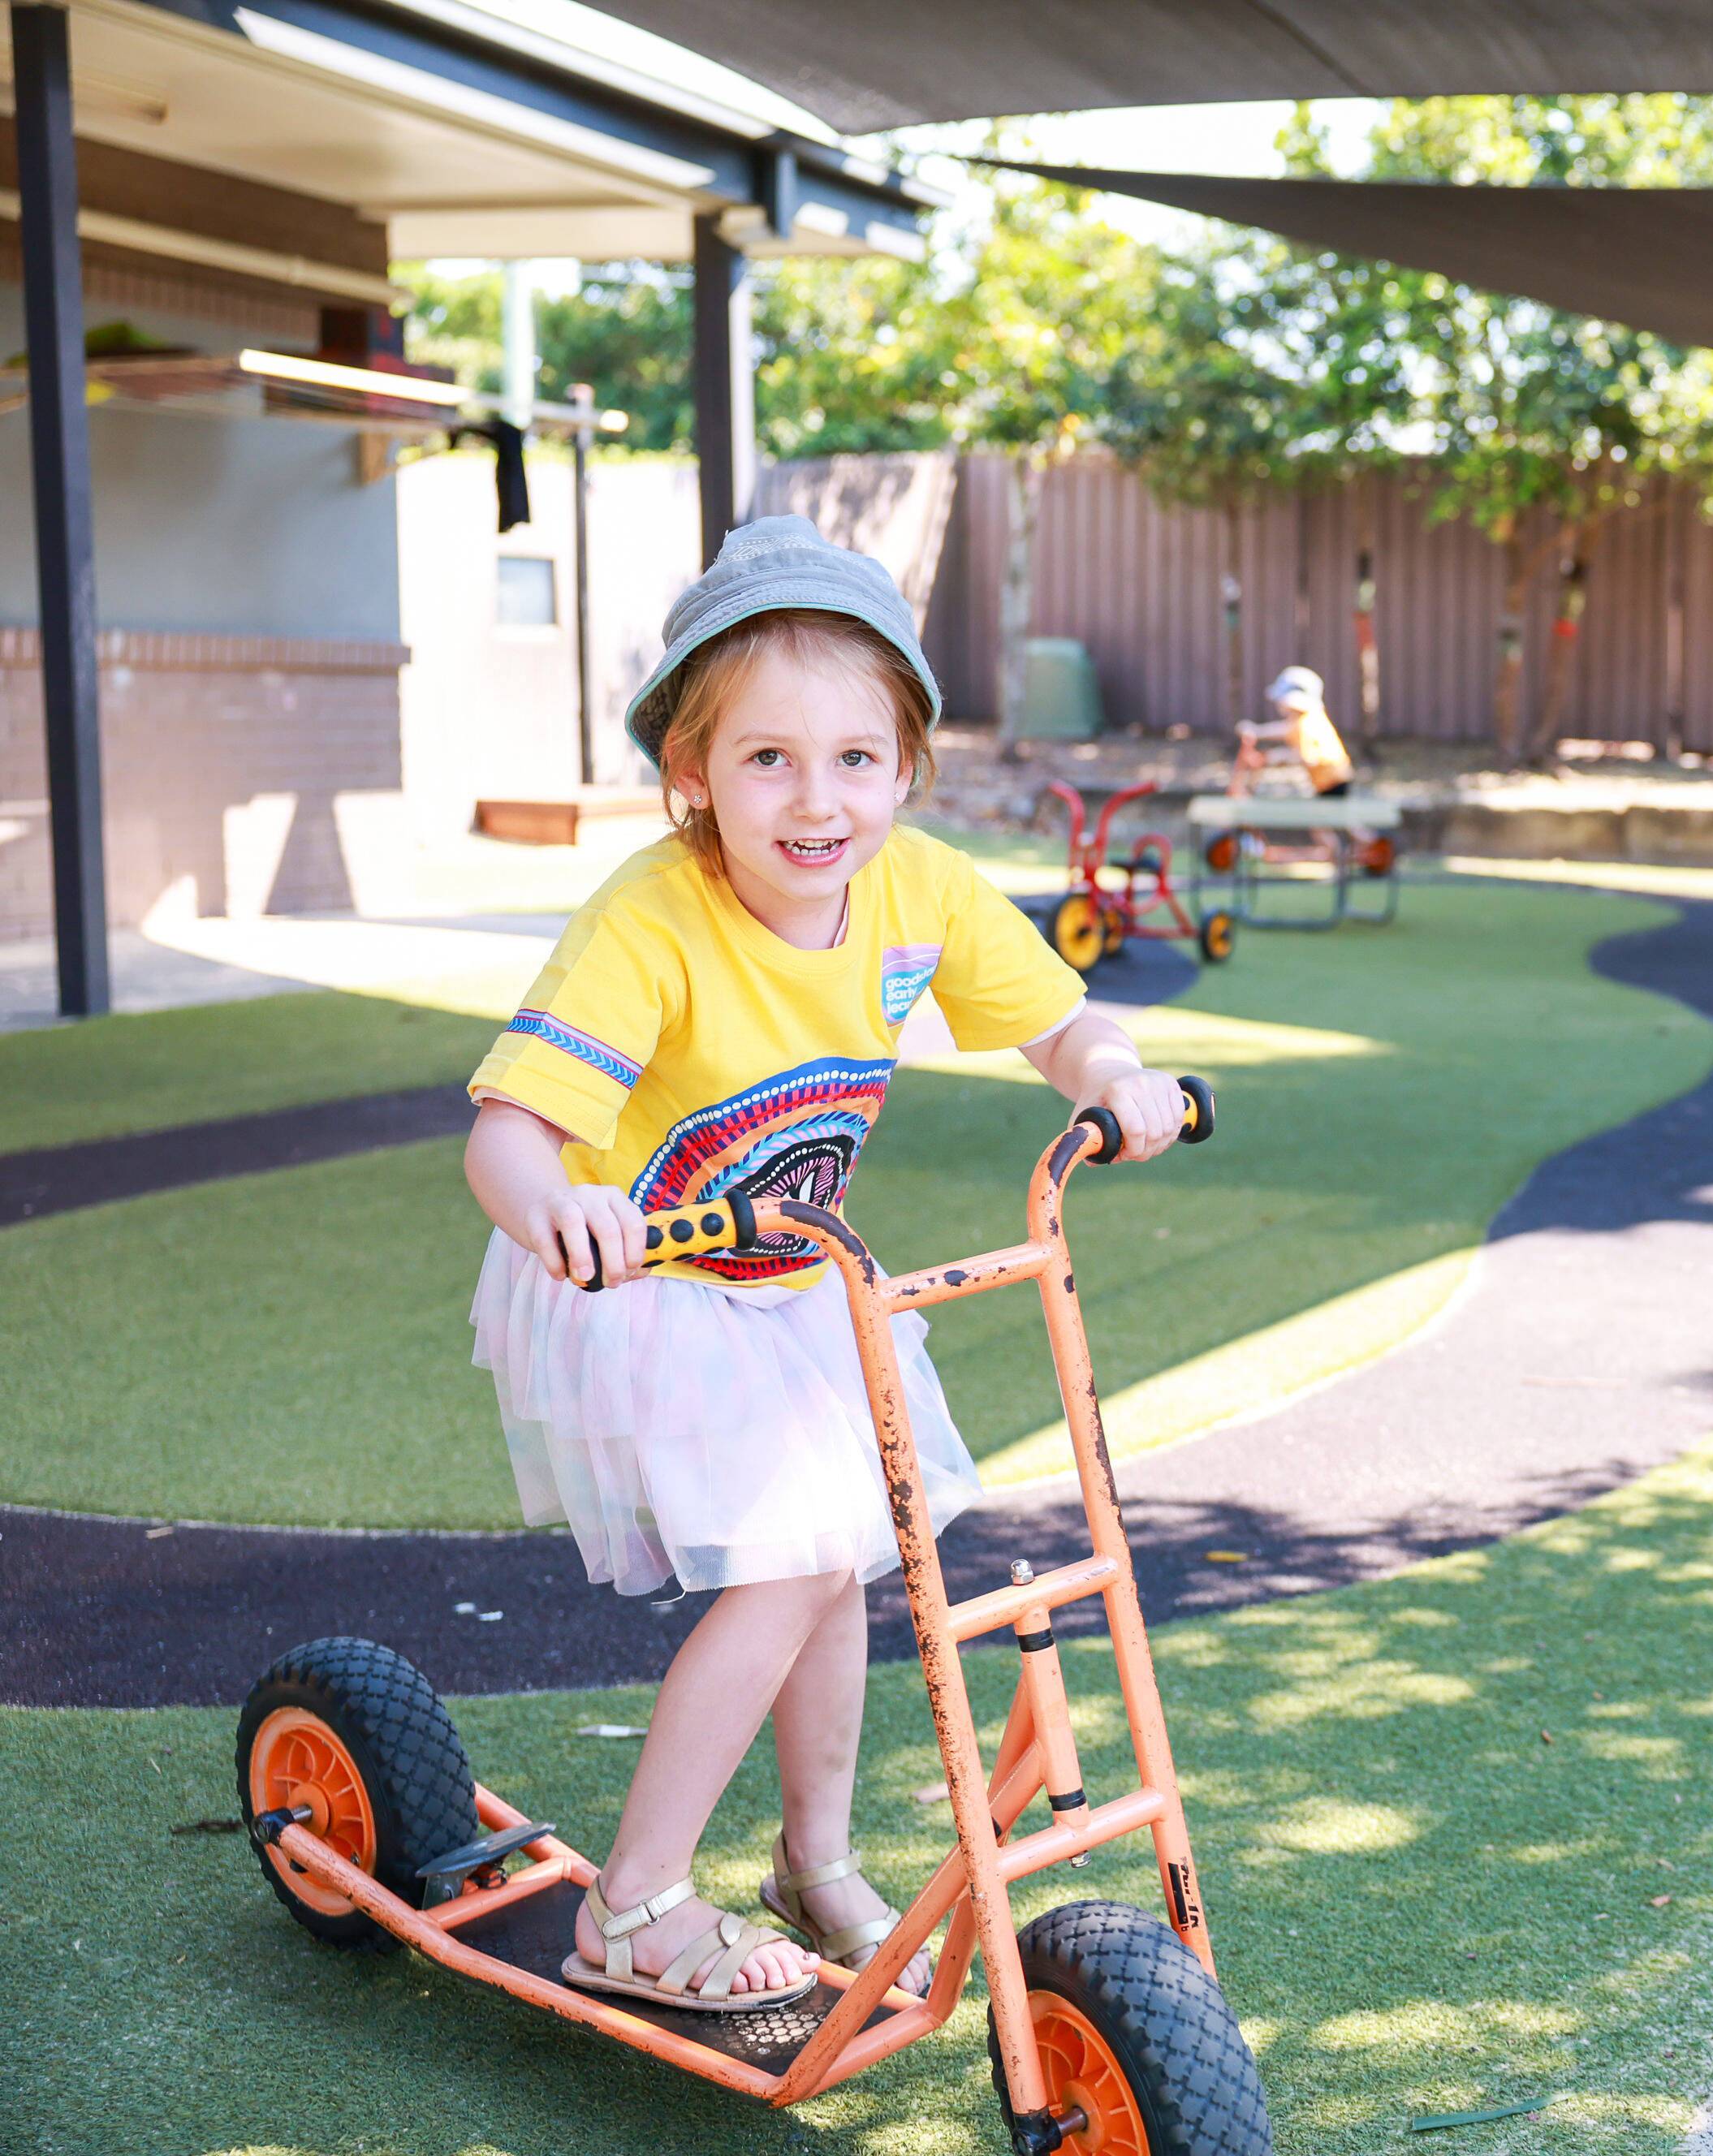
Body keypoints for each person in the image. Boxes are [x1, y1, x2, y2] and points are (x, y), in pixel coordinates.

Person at [462, 517, 1191, 2015]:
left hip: (795, 1272)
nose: (817, 800)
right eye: (767, 761)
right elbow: (509, 1134)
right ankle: (633, 1904)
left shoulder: (920, 889)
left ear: (907, 765)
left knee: (849, 1545)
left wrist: (1115, 1076)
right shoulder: (651, 918)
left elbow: (1061, 1023)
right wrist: (558, 1211)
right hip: (642, 1278)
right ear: (692, 773)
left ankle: (815, 1858)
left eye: (857, 758)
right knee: (794, 1557)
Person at [1236, 664, 1354, 796]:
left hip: (1333, 784)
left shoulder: (1307, 724)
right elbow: (1284, 729)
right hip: (1328, 782)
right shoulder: (1307, 719)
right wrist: (1257, 731)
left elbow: (1309, 758)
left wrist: (1271, 757)